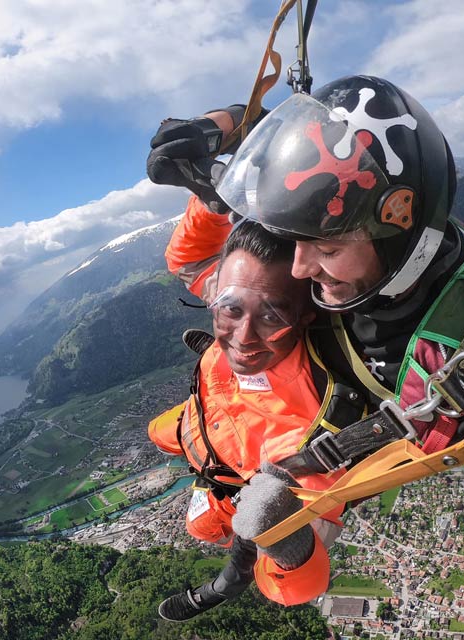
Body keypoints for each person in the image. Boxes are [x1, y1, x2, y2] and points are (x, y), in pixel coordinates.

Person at [147, 75, 464, 640]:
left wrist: (287, 546)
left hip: (243, 471)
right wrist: (225, 138)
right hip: (201, 428)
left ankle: (219, 554)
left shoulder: (458, 352)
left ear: (394, 237)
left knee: (211, 523)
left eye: (328, 250)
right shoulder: (288, 278)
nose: (300, 270)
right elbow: (198, 261)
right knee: (170, 436)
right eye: (230, 308)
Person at [149, 216, 352, 621]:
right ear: (217, 298)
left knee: (200, 525)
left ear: (305, 317)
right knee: (156, 432)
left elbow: (295, 589)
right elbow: (186, 259)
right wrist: (212, 200)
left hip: (226, 460)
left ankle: (225, 576)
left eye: (271, 317)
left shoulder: (305, 433)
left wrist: (287, 543)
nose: (242, 338)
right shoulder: (244, 284)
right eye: (230, 310)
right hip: (209, 414)